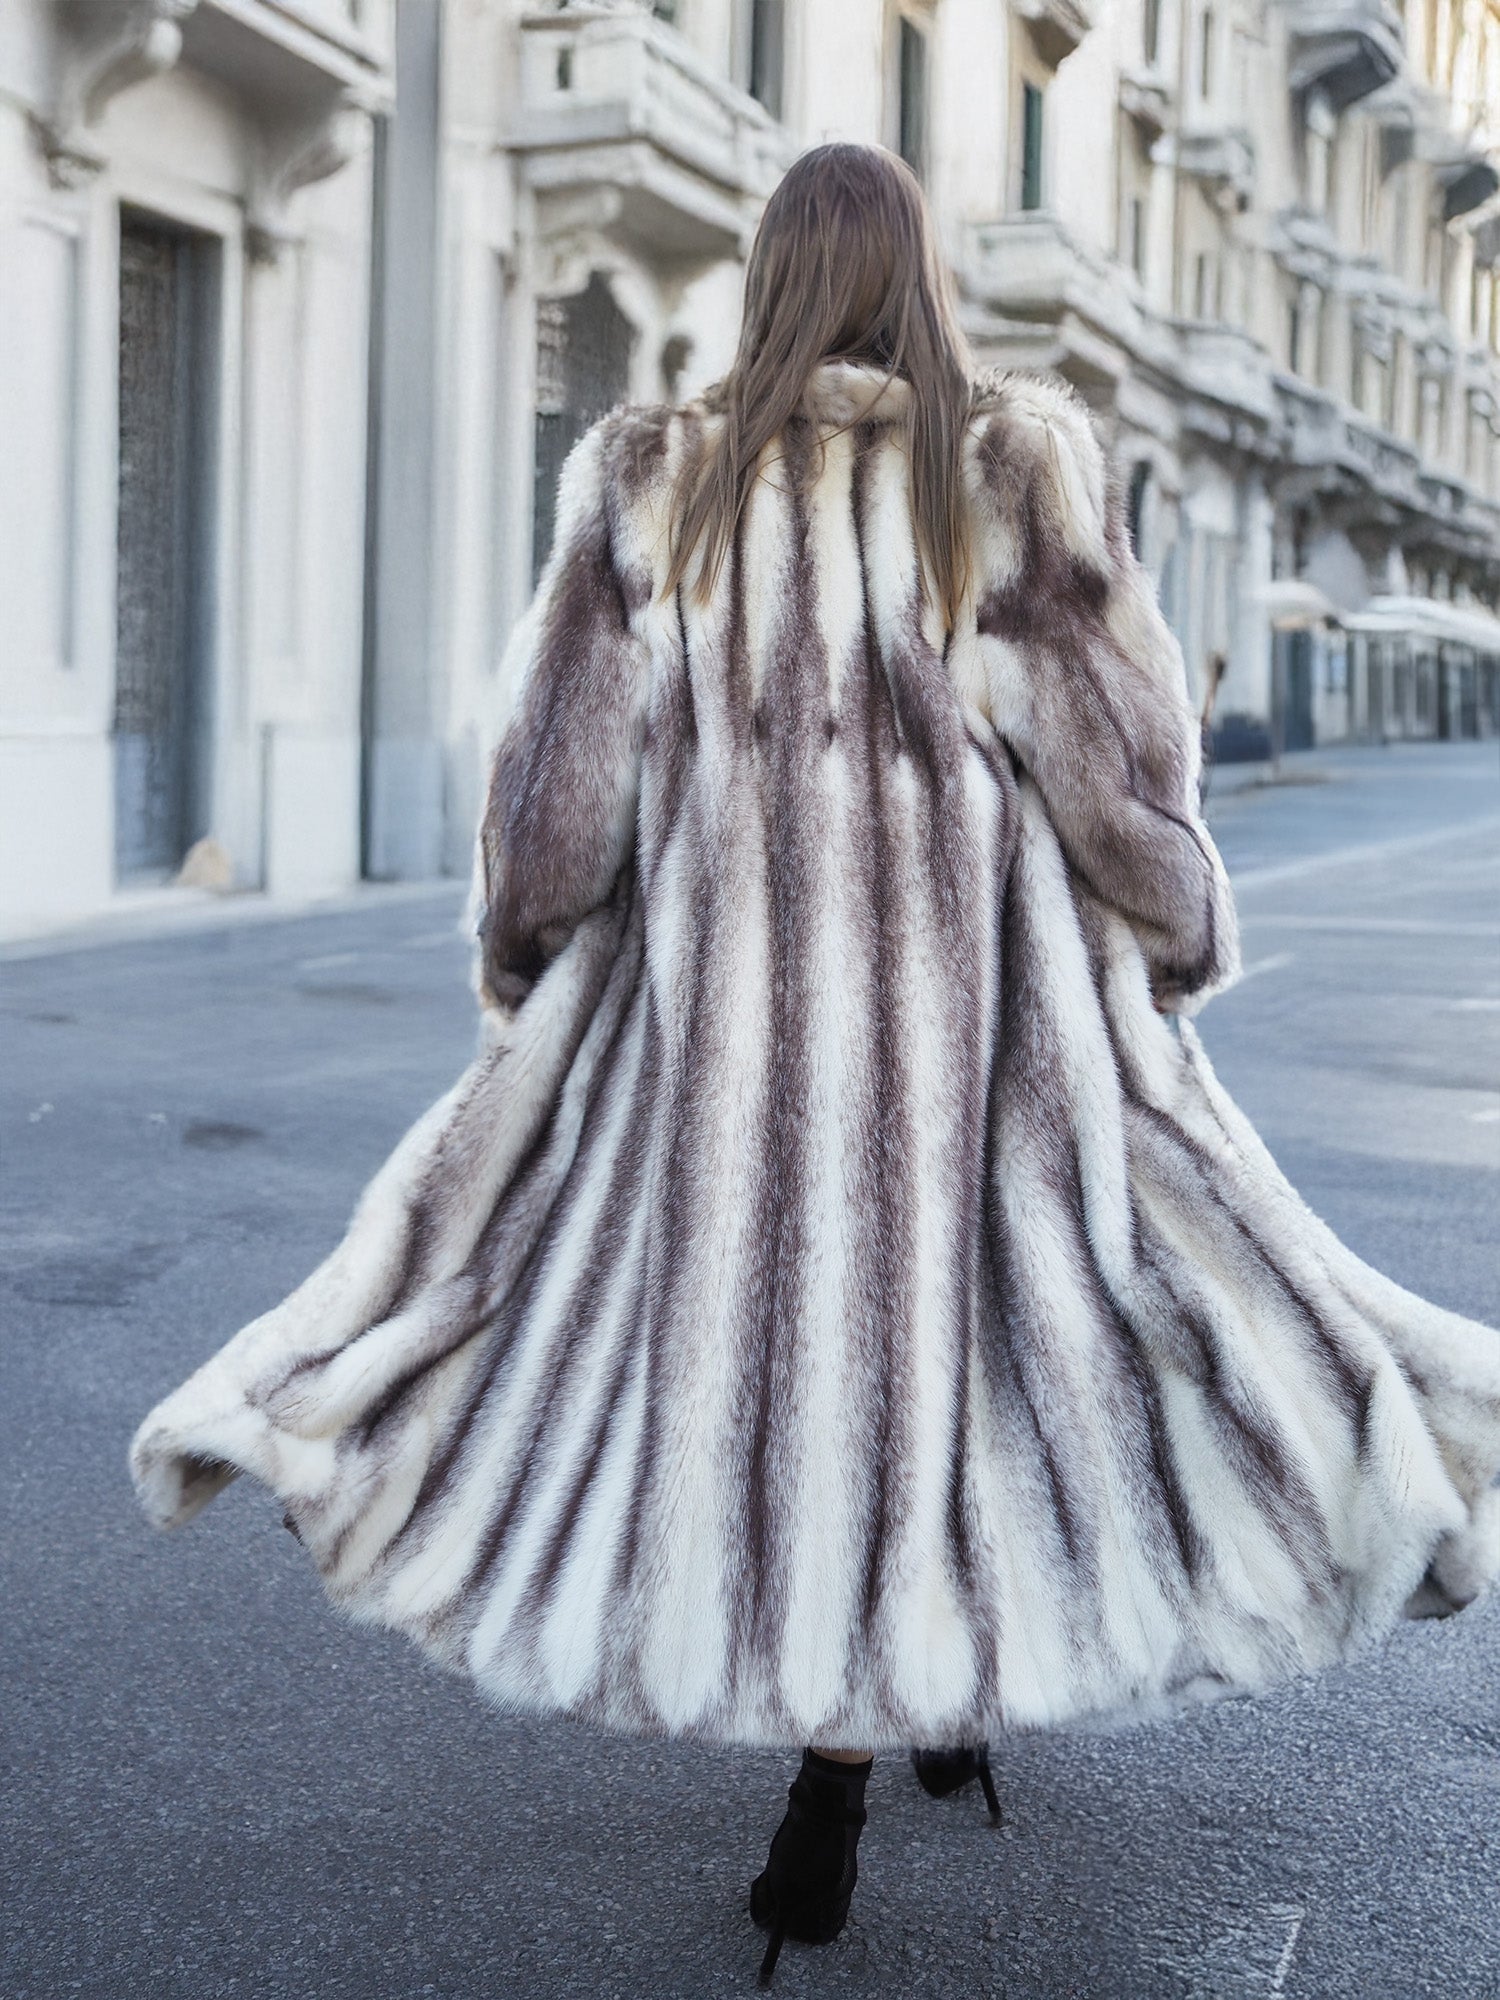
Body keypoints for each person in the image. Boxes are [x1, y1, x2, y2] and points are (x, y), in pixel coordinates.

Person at [130, 143, 1500, 1986]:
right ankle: (910, 1724)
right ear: (920, 276)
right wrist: (1177, 928)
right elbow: (1116, 762)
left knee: (773, 1364)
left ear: (772, 277)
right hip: (980, 1033)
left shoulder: (656, 480)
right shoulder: (1007, 469)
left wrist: (528, 964)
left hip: (724, 1045)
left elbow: (555, 798)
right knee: (993, 1339)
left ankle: (832, 1803)